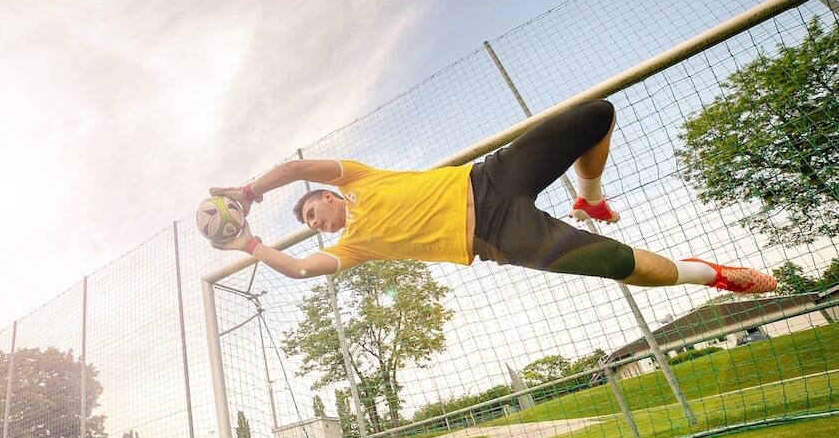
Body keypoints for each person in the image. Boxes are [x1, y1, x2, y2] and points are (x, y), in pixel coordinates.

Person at [209, 100, 777, 294]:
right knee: (617, 263)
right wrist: (254, 243)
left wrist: (249, 190)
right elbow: (302, 270)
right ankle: (715, 276)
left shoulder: (356, 175)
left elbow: (298, 165)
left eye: (314, 208)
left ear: (331, 195)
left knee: (596, 116)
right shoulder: (356, 244)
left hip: (490, 179)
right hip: (497, 237)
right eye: (312, 222)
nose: (316, 221)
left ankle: (592, 198)